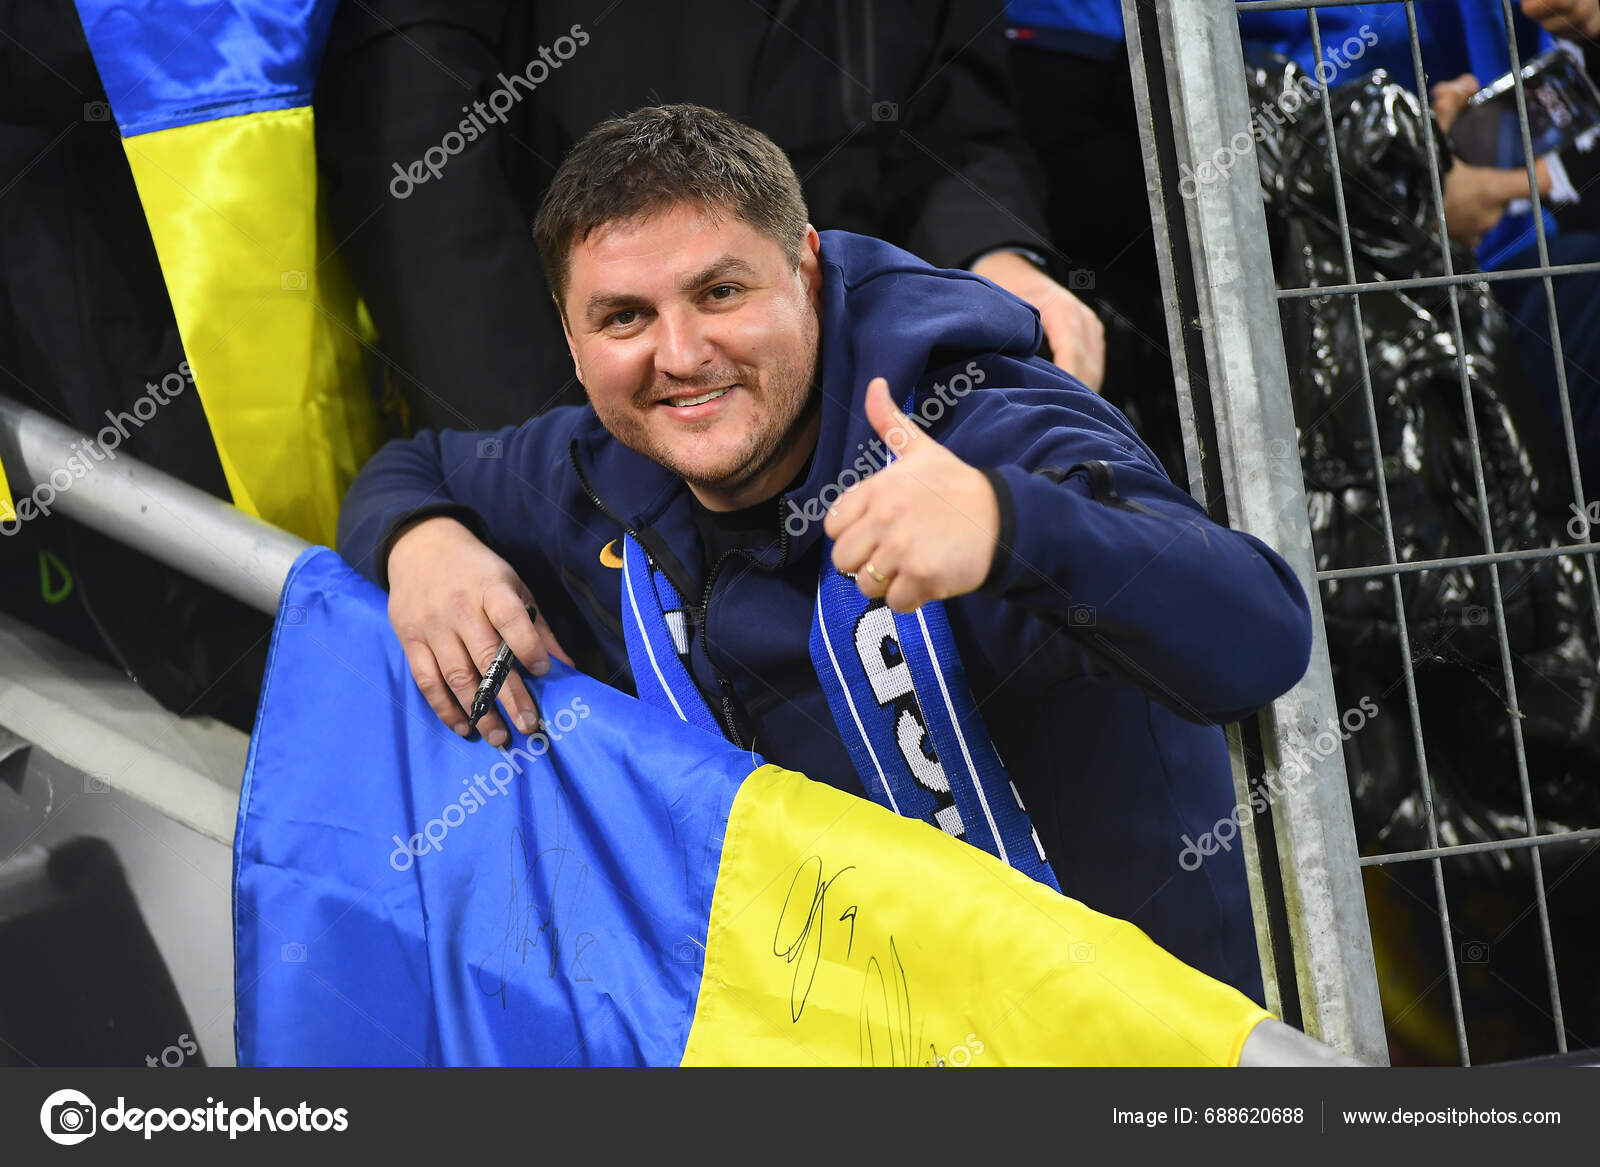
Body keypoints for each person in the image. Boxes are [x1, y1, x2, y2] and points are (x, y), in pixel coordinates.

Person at [335, 104, 1313, 995]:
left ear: (805, 272)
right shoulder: (589, 465)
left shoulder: (982, 423)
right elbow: (411, 468)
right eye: (624, 316)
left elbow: (1262, 637)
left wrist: (1008, 527)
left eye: (719, 292)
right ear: (570, 333)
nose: (679, 355)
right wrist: (421, 544)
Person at [315, 0, 1103, 433]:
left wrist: (995, 259)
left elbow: (955, 130)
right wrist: (536, 463)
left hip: (852, 423)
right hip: (588, 416)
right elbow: (421, 178)